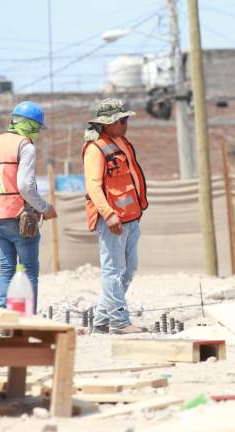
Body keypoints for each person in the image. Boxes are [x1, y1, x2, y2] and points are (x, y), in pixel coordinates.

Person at [0, 100, 57, 313]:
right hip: (18, 216)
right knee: (28, 269)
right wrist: (44, 207)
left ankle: (1, 313)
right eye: (37, 128)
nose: (38, 134)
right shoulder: (25, 146)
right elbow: (25, 185)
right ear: (31, 125)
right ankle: (26, 315)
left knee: (6, 268)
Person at [83, 98, 148, 335]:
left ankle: (101, 318)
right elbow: (93, 186)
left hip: (131, 217)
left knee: (129, 269)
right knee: (112, 270)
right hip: (112, 221)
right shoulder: (95, 149)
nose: (125, 123)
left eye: (126, 119)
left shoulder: (121, 142)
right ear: (107, 124)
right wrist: (109, 214)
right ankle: (120, 322)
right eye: (121, 120)